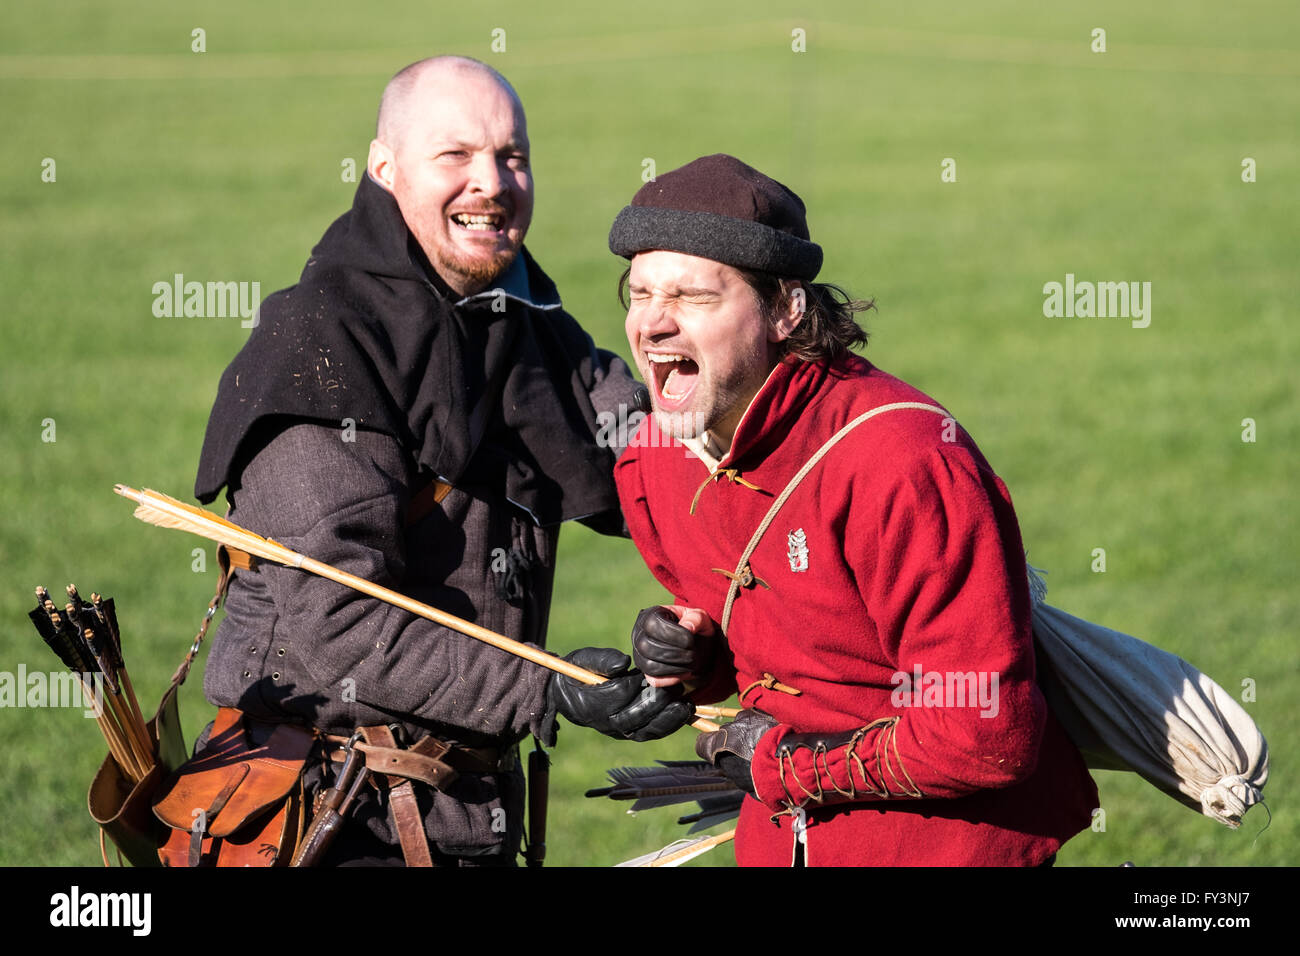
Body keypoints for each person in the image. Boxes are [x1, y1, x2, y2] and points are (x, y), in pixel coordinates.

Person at [191, 56, 692, 866]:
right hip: (325, 821)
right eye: (454, 156)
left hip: (465, 816)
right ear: (383, 168)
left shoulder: (525, 325)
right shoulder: (319, 347)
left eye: (512, 156)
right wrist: (546, 684)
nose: (491, 182)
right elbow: (338, 625)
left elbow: (661, 454)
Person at [610, 154, 1098, 866]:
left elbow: (985, 736)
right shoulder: (654, 454)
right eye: (640, 292)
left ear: (785, 309)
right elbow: (770, 651)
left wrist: (787, 767)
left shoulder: (904, 464)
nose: (652, 324)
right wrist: (697, 657)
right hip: (778, 845)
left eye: (693, 297)